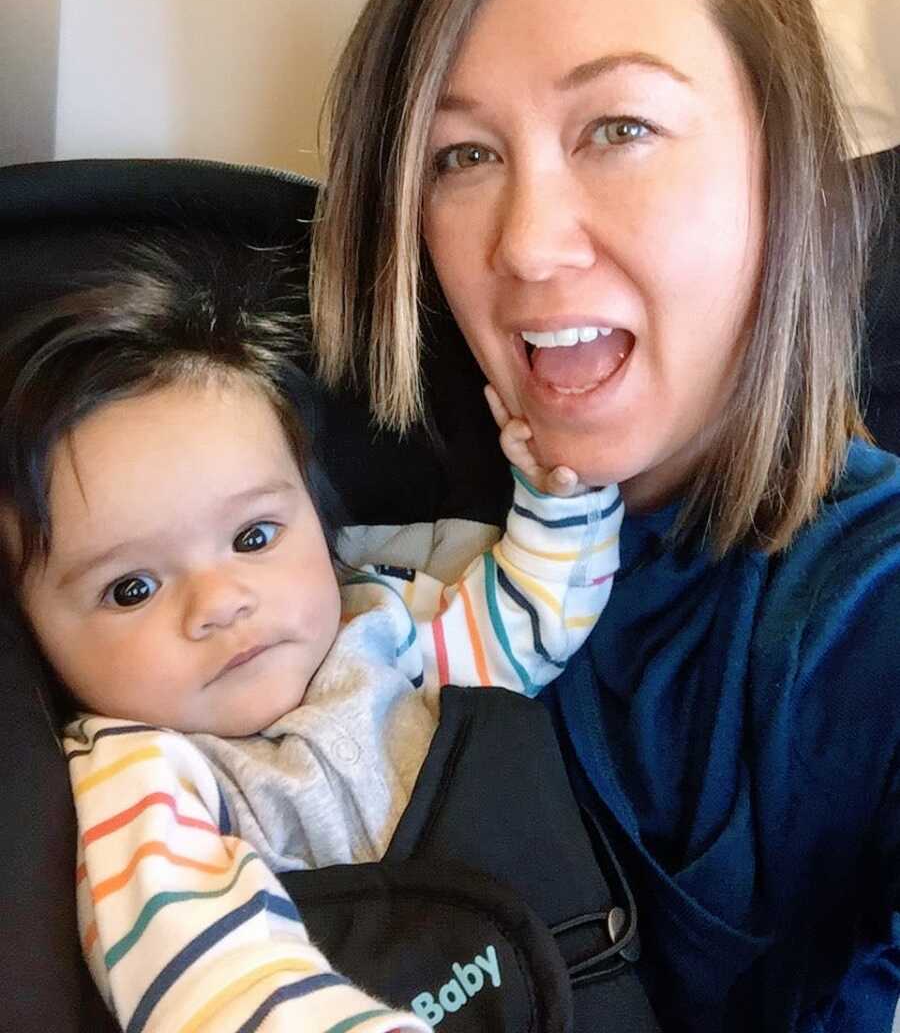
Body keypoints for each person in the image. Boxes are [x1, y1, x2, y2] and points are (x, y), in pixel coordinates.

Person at [310, 0, 900, 1031]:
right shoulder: (376, 515)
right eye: (461, 155)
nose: (525, 245)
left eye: (618, 129)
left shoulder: (859, 607)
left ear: (780, 173)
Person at [0, 240, 623, 1032]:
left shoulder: (385, 634)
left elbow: (534, 623)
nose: (220, 603)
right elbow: (215, 983)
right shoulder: (142, 782)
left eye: (255, 537)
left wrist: (560, 495)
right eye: (133, 588)